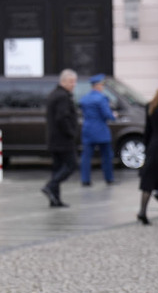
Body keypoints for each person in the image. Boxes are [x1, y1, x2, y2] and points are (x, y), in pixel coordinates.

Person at [42, 69, 78, 207]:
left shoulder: (54, 94)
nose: (73, 84)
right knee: (71, 165)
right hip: (63, 139)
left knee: (57, 168)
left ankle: (55, 199)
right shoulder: (63, 96)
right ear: (63, 82)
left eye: (74, 81)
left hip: (54, 139)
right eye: (71, 81)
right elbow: (62, 117)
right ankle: (50, 186)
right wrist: (71, 133)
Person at [136, 73, 158, 225]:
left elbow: (147, 131)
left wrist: (147, 148)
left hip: (155, 145)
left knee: (149, 180)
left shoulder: (152, 104)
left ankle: (142, 211)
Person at [79, 73, 116, 186]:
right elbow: (107, 114)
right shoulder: (101, 98)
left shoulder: (84, 99)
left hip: (88, 130)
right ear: (98, 85)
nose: (102, 87)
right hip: (101, 131)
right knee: (106, 156)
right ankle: (108, 179)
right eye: (102, 85)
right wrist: (114, 115)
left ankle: (85, 180)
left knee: (86, 157)